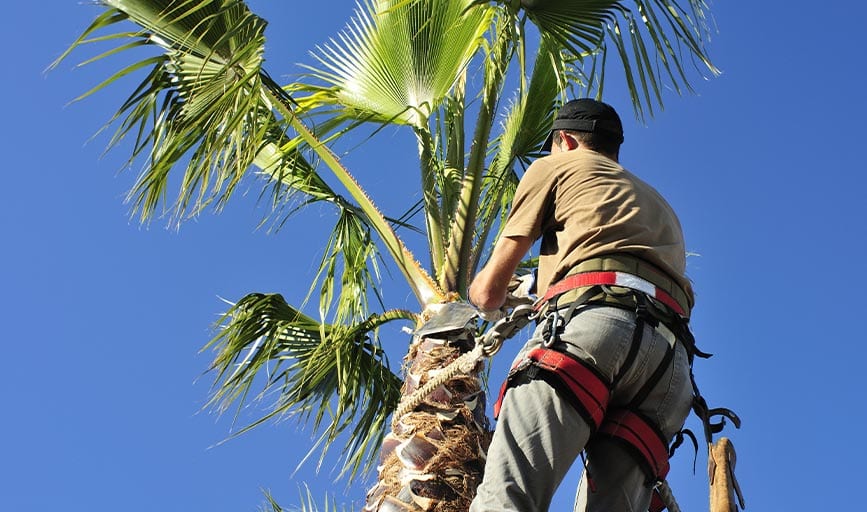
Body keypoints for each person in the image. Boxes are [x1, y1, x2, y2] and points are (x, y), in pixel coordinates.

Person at [468, 98, 697, 511]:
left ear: (566, 141)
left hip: (591, 332)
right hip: (668, 367)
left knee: (509, 499)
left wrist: (482, 296)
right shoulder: (658, 204)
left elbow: (488, 294)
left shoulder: (556, 166)